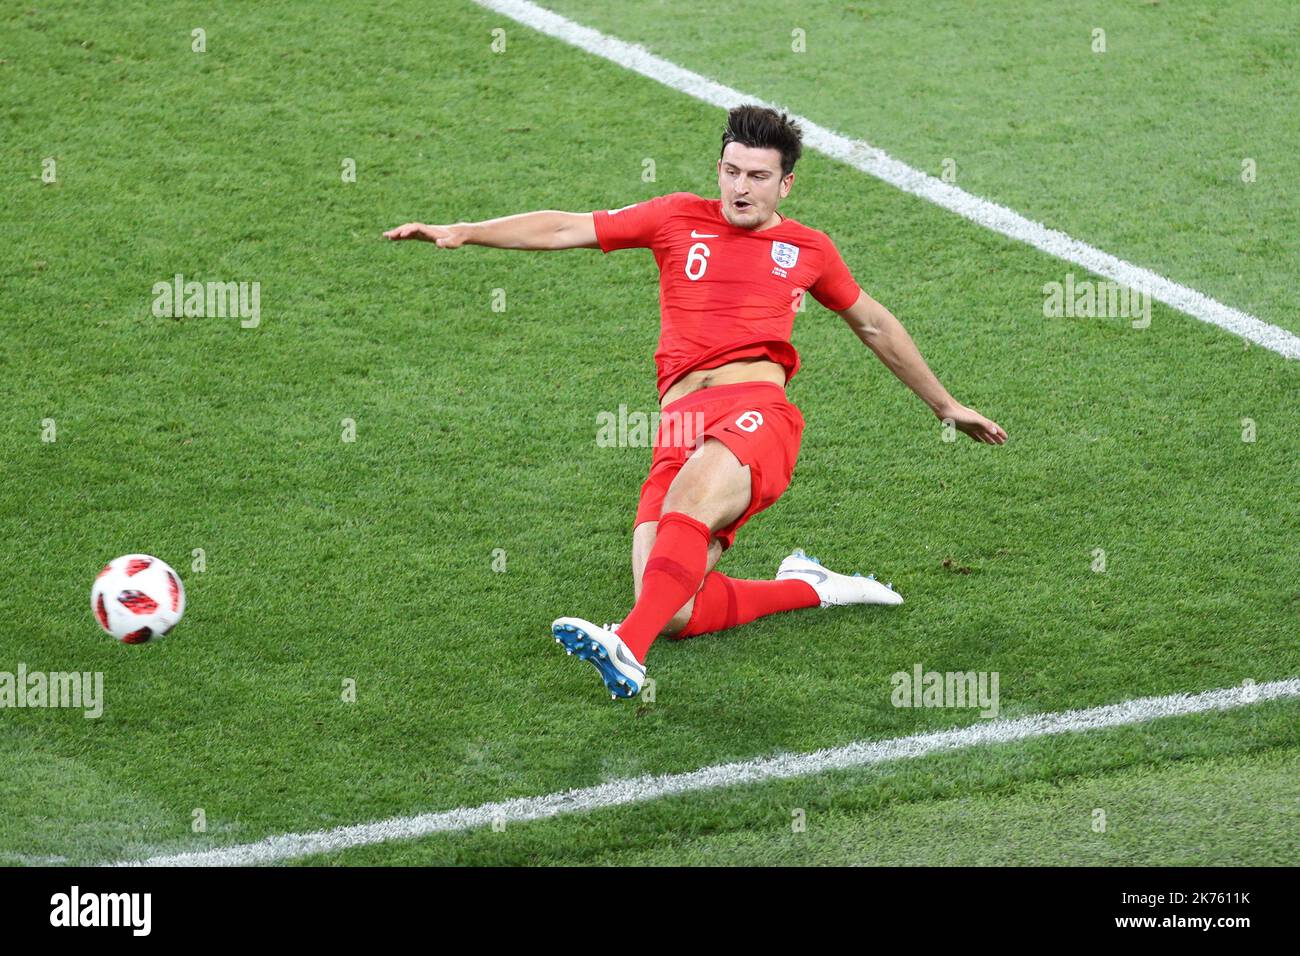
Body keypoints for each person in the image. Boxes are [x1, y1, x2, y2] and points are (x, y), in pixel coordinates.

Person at [385, 105, 1006, 700]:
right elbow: (567, 225)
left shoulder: (809, 250)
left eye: (758, 177)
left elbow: (873, 324)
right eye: (731, 171)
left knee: (676, 533)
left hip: (756, 413)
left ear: (786, 185)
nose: (741, 188)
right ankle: (810, 588)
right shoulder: (675, 217)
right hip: (678, 425)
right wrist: (467, 232)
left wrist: (945, 405)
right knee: (676, 609)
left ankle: (627, 644)